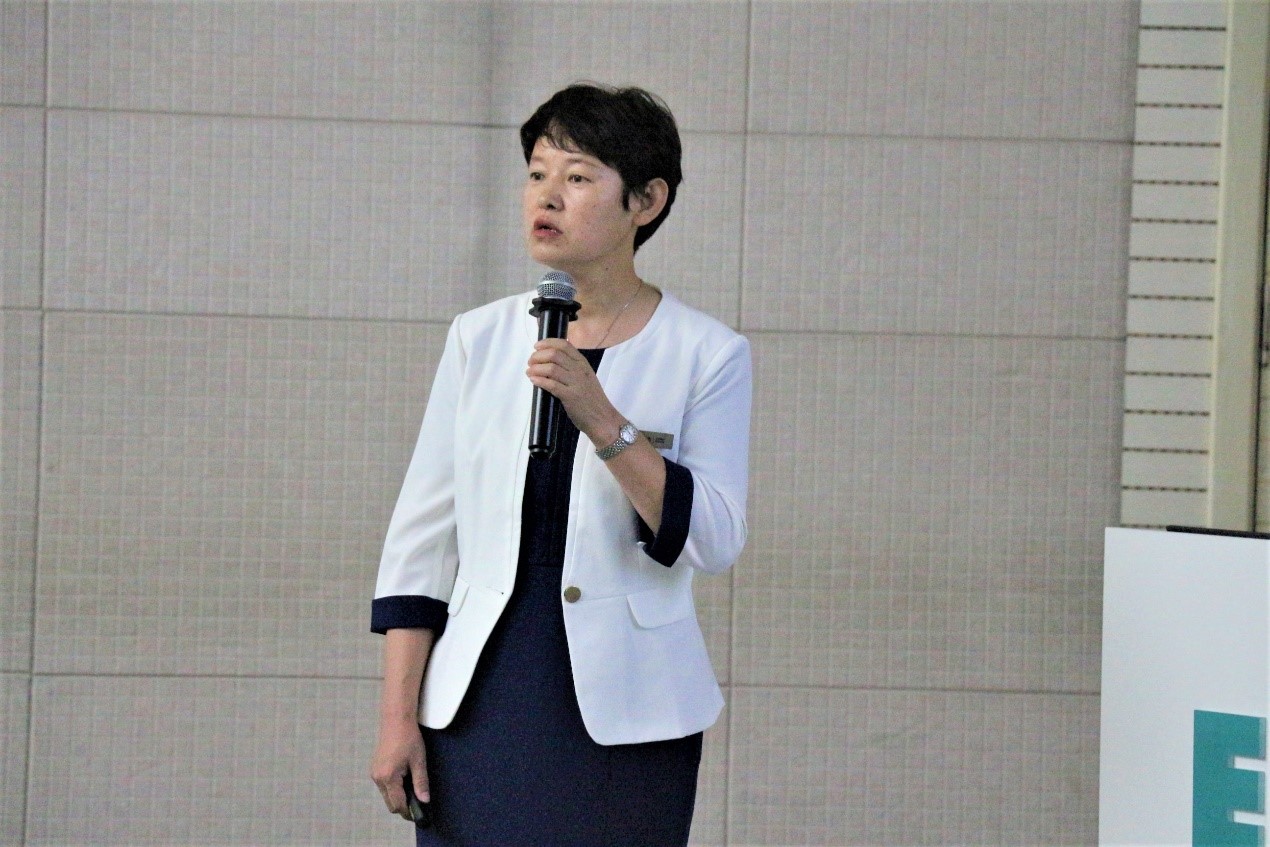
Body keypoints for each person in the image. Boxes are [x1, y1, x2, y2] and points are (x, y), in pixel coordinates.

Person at [368, 83, 752, 846]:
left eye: (577, 177)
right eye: (537, 174)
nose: (546, 196)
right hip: (480, 699)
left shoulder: (707, 353)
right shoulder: (479, 337)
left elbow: (714, 536)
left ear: (646, 200)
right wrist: (395, 718)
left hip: (632, 716)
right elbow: (422, 541)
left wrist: (603, 418)